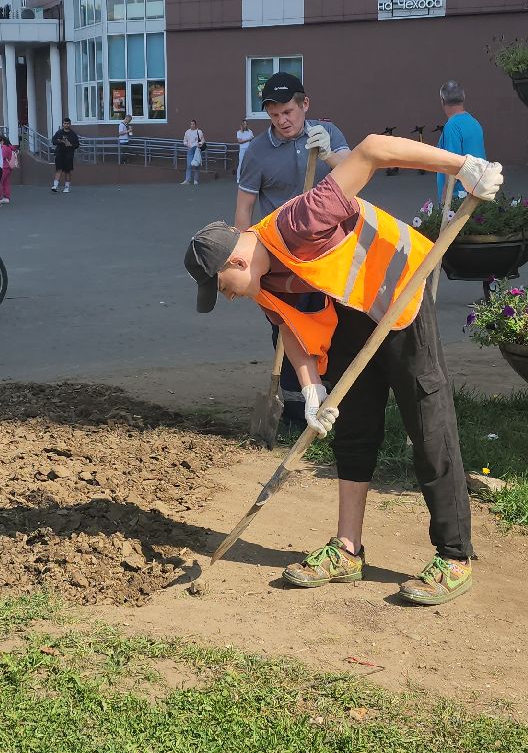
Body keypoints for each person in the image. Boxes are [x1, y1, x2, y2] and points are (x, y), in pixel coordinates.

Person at [183, 134, 504, 606]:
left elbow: (372, 150)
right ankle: (348, 549)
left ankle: (455, 556)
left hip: (400, 291)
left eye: (222, 287)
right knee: (354, 426)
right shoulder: (259, 281)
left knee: (428, 424)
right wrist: (312, 390)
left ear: (234, 259)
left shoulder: (299, 220)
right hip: (351, 311)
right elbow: (291, 326)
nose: (227, 296)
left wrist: (461, 167)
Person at [235, 72, 350, 430]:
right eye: (274, 115)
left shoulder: (327, 135)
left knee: (328, 323)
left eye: (288, 112)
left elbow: (356, 173)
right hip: (278, 259)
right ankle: (292, 409)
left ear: (305, 105)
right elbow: (244, 209)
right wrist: (243, 258)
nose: (282, 121)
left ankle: (332, 398)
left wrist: (330, 156)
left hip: (328, 254)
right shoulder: (256, 151)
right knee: (285, 328)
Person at [434, 80, 486, 205]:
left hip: (459, 197)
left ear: (442, 101)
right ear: (463, 98)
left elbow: (452, 163)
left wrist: (445, 196)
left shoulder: (452, 126)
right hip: (476, 191)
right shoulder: (474, 123)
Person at [51, 118, 79, 192]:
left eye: (67, 123)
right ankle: (55, 186)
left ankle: (66, 187)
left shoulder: (73, 134)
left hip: (69, 155)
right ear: (63, 124)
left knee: (67, 171)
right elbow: (53, 141)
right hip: (59, 153)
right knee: (58, 169)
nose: (66, 125)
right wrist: (59, 141)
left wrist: (70, 145)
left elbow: (77, 145)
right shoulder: (59, 132)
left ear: (70, 124)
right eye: (65, 123)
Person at [181, 120, 205, 185]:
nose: (192, 125)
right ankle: (187, 180)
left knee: (196, 164)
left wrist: (199, 143)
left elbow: (203, 140)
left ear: (195, 125)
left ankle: (196, 180)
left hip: (197, 149)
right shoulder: (187, 132)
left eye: (193, 124)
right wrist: (187, 144)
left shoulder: (199, 132)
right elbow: (184, 141)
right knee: (189, 164)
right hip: (190, 149)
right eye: (191, 124)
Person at [0, 134, 17, 204]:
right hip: (8, 167)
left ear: (2, 141)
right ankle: (6, 197)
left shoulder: (4, 147)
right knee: (6, 183)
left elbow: (1, 157)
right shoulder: (10, 147)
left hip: (3, 167)